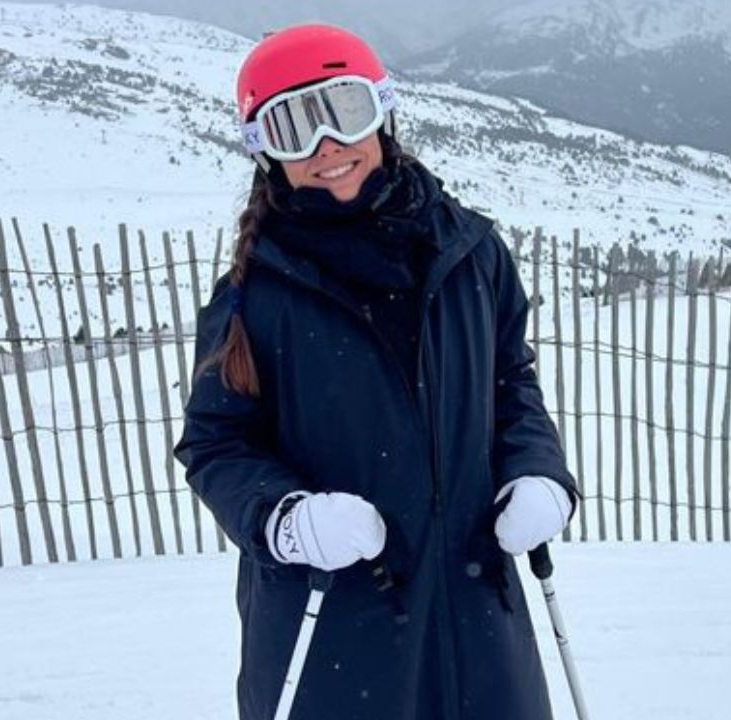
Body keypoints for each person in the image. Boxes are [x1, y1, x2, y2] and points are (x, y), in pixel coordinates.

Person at [173, 24, 580, 720]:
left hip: (479, 619)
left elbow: (511, 383)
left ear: (384, 115)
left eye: (345, 110)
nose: (326, 145)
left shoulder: (470, 255)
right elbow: (216, 444)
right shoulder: (254, 298)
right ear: (263, 151)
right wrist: (287, 521)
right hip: (335, 627)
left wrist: (538, 471)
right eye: (294, 125)